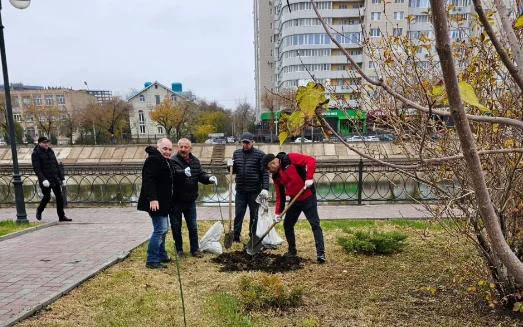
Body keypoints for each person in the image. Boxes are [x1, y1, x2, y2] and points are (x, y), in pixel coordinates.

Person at [261, 152, 326, 263]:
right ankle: (292, 251)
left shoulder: (290, 158)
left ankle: (321, 254)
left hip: (307, 195)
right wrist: (278, 213)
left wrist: (309, 177)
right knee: (287, 225)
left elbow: (310, 160)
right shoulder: (276, 177)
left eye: (268, 168)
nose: (269, 171)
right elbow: (280, 195)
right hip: (294, 200)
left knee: (315, 224)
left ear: (272, 163)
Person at [170, 138, 217, 258]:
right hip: (176, 201)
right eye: (181, 147)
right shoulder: (173, 161)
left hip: (190, 200)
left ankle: (194, 249)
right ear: (178, 147)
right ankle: (179, 249)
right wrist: (182, 173)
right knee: (176, 226)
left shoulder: (195, 161)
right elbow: (173, 175)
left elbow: (200, 174)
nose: (183, 149)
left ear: (190, 148)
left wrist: (209, 178)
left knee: (193, 226)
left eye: (186, 147)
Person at [137, 138, 174, 269]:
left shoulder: (164, 161)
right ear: (158, 148)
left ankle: (162, 255)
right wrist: (153, 198)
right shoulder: (153, 160)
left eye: (170, 149)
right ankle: (152, 259)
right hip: (155, 203)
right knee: (160, 230)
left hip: (163, 203)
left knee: (163, 230)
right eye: (165, 148)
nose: (168, 151)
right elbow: (148, 180)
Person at [227, 132, 269, 242]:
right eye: (243, 142)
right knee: (239, 214)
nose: (245, 145)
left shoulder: (260, 154)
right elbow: (234, 170)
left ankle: (253, 235)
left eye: (247, 142)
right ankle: (236, 236)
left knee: (254, 215)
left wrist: (265, 188)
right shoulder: (236, 154)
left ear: (252, 142)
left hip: (255, 191)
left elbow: (264, 172)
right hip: (240, 190)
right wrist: (229, 166)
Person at [31, 136, 71, 222]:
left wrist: (62, 178)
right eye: (44, 143)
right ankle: (39, 210)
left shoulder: (50, 151)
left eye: (47, 142)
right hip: (45, 179)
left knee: (59, 197)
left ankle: (61, 216)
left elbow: (56, 165)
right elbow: (36, 168)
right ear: (40, 143)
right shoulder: (36, 153)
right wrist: (43, 179)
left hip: (55, 178)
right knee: (47, 197)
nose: (46, 144)